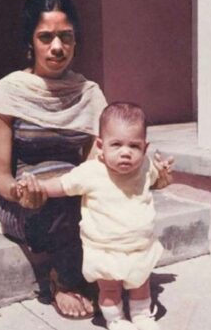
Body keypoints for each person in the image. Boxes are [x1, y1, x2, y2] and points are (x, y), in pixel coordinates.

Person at [0, 0, 107, 319]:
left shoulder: (88, 93)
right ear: (30, 42)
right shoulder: (9, 92)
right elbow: (3, 179)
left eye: (66, 36)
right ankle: (63, 280)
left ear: (76, 40)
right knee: (57, 199)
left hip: (69, 193)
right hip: (21, 201)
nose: (57, 47)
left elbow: (97, 163)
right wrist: (24, 194)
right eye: (45, 37)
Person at [18, 102, 174, 330]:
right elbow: (61, 185)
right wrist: (36, 186)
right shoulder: (91, 172)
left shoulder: (145, 166)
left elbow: (157, 180)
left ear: (145, 147)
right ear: (101, 146)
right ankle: (116, 319)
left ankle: (142, 317)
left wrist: (163, 174)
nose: (125, 152)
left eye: (134, 146)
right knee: (110, 289)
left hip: (139, 245)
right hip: (104, 247)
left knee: (141, 284)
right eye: (117, 144)